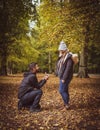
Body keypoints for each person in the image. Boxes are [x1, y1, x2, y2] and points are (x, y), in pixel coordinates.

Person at [56, 41, 78, 109]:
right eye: (60, 50)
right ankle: (66, 104)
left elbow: (68, 69)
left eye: (61, 50)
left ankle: (67, 104)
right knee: (65, 90)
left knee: (61, 90)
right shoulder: (62, 56)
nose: (60, 51)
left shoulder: (69, 58)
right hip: (62, 76)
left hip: (66, 77)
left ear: (64, 50)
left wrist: (64, 79)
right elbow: (59, 65)